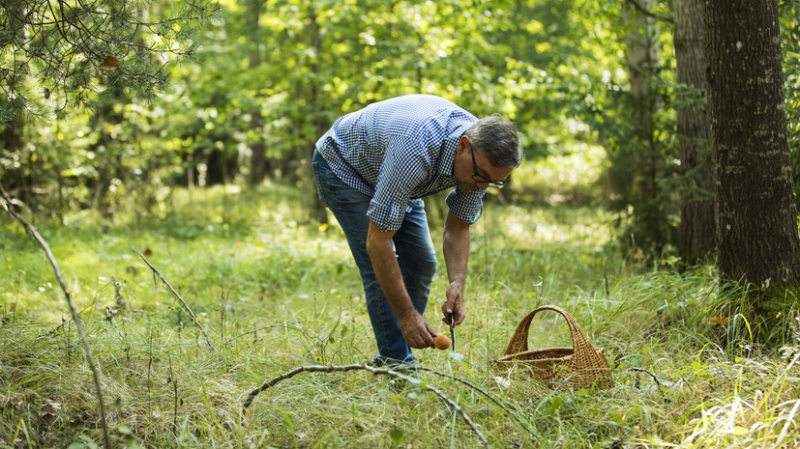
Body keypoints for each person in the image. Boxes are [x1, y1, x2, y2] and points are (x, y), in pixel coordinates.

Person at [312, 94, 521, 367]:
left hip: (390, 171)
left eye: (494, 182)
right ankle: (396, 364)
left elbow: (458, 226)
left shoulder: (479, 164)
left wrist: (457, 283)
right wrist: (407, 316)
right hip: (344, 165)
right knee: (378, 267)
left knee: (422, 263)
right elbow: (378, 242)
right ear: (463, 146)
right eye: (482, 177)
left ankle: (399, 345)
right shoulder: (416, 150)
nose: (483, 187)